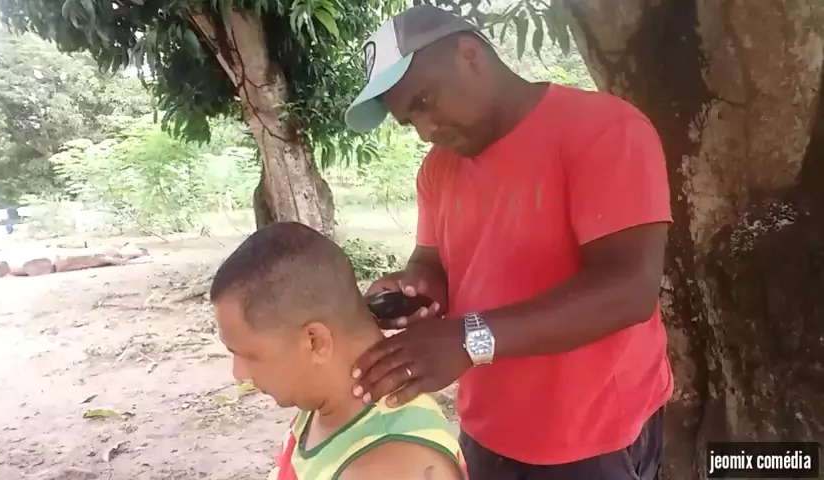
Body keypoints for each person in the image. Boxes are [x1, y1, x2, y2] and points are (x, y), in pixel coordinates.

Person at [342, 5, 672, 480]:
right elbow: (432, 263)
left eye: (424, 101)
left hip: (594, 434)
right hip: (488, 428)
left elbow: (628, 290)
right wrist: (415, 288)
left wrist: (468, 338)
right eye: (409, 121)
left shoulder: (603, 130)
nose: (426, 131)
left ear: (470, 55)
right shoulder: (439, 168)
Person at [209, 221, 468, 480]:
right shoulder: (322, 401)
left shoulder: (389, 465)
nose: (238, 373)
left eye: (250, 356)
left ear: (315, 342)